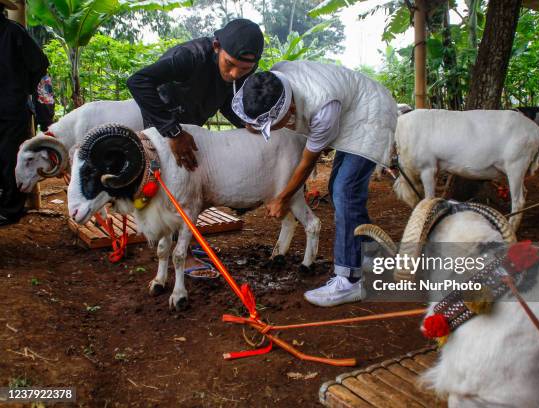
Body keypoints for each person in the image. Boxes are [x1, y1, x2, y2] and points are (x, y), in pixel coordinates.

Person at [232, 61, 397, 307]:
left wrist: (282, 198)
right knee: (339, 189)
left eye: (269, 124)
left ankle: (349, 280)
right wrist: (255, 121)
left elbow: (307, 162)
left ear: (289, 109)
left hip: (370, 113)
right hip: (350, 107)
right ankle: (369, 254)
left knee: (345, 190)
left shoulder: (323, 109)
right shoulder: (274, 79)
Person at [127, 18, 264, 171]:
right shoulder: (189, 57)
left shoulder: (246, 67)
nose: (234, 74)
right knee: (161, 176)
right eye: (229, 63)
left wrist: (245, 122)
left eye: (245, 69)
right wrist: (173, 132)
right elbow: (138, 81)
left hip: (192, 125)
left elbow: (226, 101)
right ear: (217, 46)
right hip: (164, 121)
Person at [0, 0, 49, 226]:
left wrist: (24, 89)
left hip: (12, 108)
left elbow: (40, 63)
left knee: (10, 158)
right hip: (11, 105)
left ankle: (11, 210)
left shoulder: (13, 32)